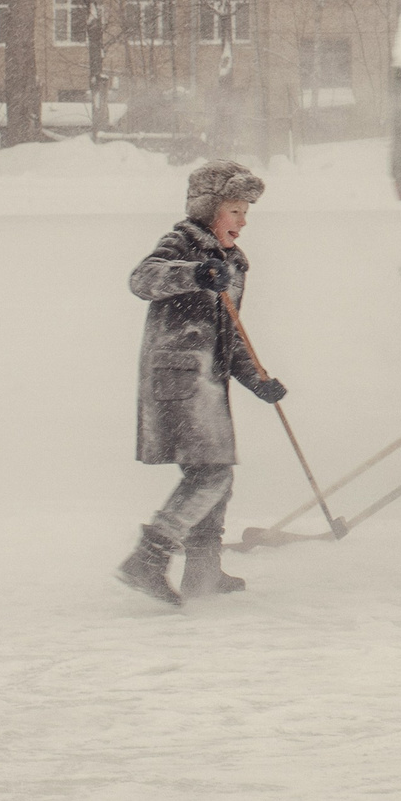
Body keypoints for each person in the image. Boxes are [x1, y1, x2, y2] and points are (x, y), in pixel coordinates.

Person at [114, 159, 287, 606]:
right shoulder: (184, 241)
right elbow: (143, 279)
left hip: (206, 382)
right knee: (211, 474)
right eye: (235, 210)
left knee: (214, 476)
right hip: (178, 379)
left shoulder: (231, 262)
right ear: (210, 209)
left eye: (247, 211)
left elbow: (231, 336)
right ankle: (148, 559)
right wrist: (194, 273)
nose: (243, 221)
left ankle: (202, 570)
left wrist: (257, 380)